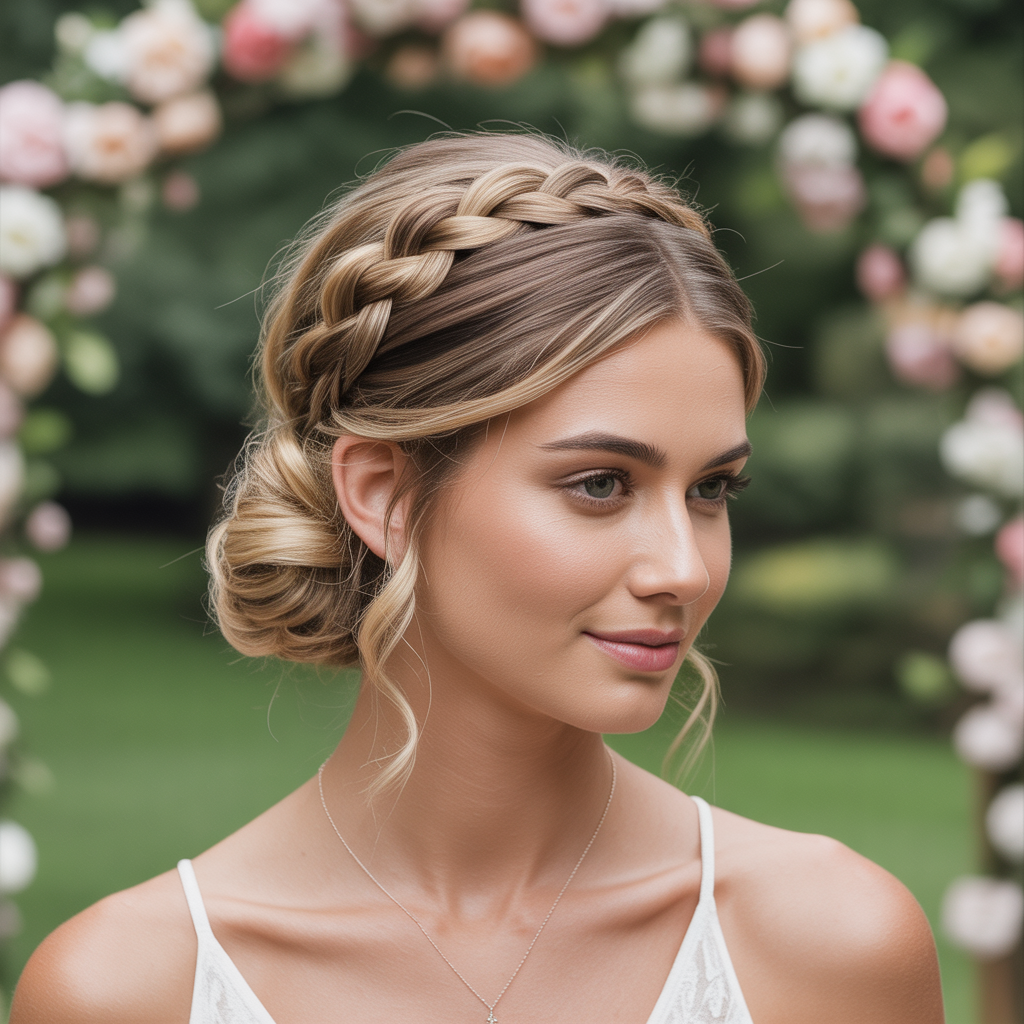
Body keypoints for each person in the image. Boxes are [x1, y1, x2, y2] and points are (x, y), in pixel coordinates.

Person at [12, 133, 944, 1024]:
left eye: (711, 489)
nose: (684, 569)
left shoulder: (829, 947)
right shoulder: (131, 991)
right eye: (599, 484)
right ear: (384, 494)